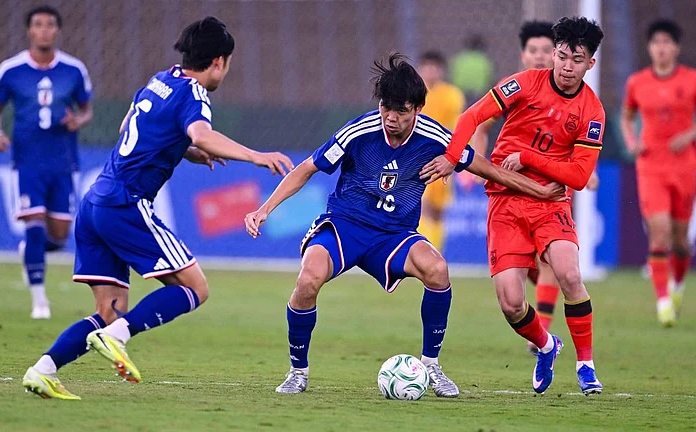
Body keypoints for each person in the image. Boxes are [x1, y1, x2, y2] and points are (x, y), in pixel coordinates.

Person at [244, 53, 565, 396]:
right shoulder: (359, 132)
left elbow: (488, 169)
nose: (391, 118)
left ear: (417, 109)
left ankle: (432, 366)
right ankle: (298, 372)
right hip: (346, 225)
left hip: (393, 235)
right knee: (307, 279)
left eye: (401, 110)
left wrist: (541, 190)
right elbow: (307, 167)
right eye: (386, 108)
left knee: (438, 269)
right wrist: (265, 209)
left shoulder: (436, 138)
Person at [21, 16, 294, 400]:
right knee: (195, 287)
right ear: (219, 61)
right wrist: (254, 155)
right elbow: (202, 132)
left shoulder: (159, 80)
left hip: (95, 201)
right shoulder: (195, 92)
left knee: (110, 310)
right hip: (125, 203)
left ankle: (42, 370)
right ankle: (117, 338)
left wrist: (185, 150)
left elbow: (127, 129)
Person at [421, 16, 606, 395]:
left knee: (570, 274)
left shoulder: (592, 112)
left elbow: (578, 175)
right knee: (510, 303)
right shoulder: (524, 83)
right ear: (553, 54)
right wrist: (453, 158)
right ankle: (546, 345)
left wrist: (528, 158)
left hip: (551, 202)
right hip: (505, 201)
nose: (567, 66)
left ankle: (586, 366)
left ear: (591, 63)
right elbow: (472, 116)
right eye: (562, 56)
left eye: (577, 59)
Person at [466, 20, 601, 355]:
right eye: (537, 51)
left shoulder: (586, 104)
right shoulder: (518, 87)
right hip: (508, 193)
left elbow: (579, 159)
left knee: (559, 266)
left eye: (546, 50)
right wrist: (475, 160)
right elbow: (480, 123)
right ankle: (543, 339)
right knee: (514, 293)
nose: (546, 58)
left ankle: (549, 333)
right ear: (524, 55)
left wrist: (581, 173)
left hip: (549, 194)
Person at [0, 5, 93, 319]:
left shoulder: (74, 70)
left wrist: (79, 120)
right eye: (38, 24)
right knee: (33, 227)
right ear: (29, 31)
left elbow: (87, 109)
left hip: (63, 162)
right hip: (28, 162)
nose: (44, 30)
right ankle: (39, 301)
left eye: (50, 24)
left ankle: (30, 255)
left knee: (59, 236)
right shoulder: (11, 69)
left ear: (57, 30)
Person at [621, 19, 696, 327]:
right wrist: (631, 141)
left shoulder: (693, 80)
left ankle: (678, 286)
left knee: (680, 238)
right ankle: (662, 301)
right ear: (649, 47)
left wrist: (689, 135)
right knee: (659, 232)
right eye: (655, 42)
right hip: (650, 165)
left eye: (666, 42)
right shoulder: (637, 82)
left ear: (676, 47)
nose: (661, 48)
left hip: (685, 166)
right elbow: (626, 116)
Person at [416, 51, 465, 252]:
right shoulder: (414, 92)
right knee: (419, 205)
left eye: (435, 67)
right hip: (414, 157)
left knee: (437, 210)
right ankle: (417, 250)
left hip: (442, 157)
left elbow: (457, 126)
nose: (431, 72)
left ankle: (434, 251)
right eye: (427, 67)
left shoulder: (452, 95)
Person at [449, 34, 495, 102]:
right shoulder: (484, 60)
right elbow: (489, 78)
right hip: (478, 94)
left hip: (460, 93)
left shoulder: (460, 58)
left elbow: (452, 75)